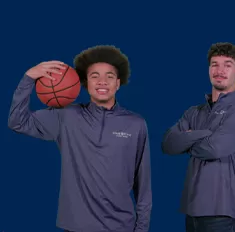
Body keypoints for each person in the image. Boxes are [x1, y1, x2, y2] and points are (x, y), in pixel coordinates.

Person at [7, 45, 152, 232]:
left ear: (118, 83)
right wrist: (29, 77)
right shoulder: (66, 116)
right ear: (85, 83)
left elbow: (143, 184)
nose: (102, 82)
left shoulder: (136, 124)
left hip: (121, 227)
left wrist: (142, 229)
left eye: (109, 76)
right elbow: (17, 122)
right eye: (94, 76)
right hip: (75, 227)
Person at [161, 42, 235, 232]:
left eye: (227, 65)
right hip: (192, 209)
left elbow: (214, 149)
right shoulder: (194, 112)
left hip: (224, 212)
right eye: (214, 64)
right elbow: (169, 144)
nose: (220, 70)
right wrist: (206, 134)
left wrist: (187, 139)